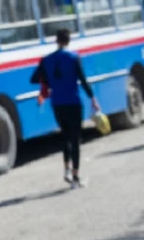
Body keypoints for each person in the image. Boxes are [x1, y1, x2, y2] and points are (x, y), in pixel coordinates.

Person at [31, 28, 101, 188]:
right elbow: (83, 80)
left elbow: (34, 78)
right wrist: (93, 98)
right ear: (69, 41)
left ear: (57, 41)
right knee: (75, 139)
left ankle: (66, 169)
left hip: (57, 103)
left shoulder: (46, 60)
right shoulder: (74, 57)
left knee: (65, 136)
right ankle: (75, 178)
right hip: (73, 102)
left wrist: (48, 83)